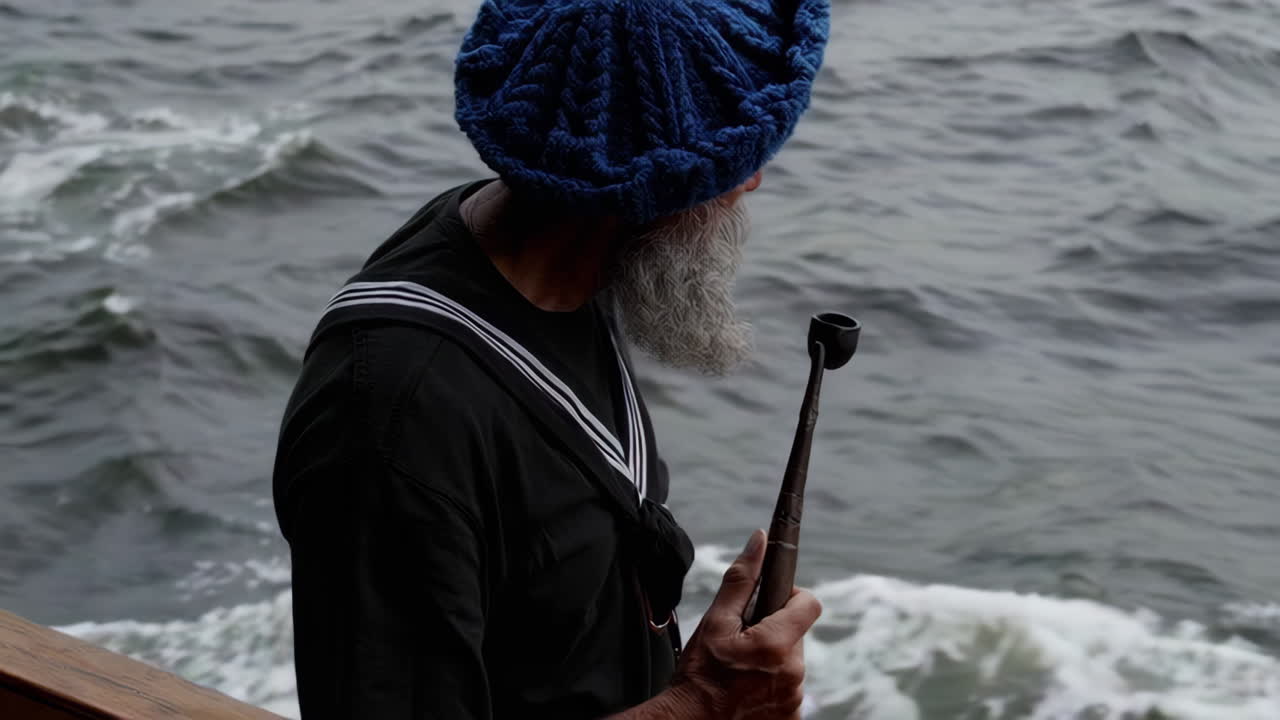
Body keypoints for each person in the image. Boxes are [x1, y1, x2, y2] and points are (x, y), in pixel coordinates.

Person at [271, 0, 832, 718]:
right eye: (735, 164)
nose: (750, 183)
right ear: (642, 191)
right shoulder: (391, 418)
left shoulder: (559, 258)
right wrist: (703, 704)